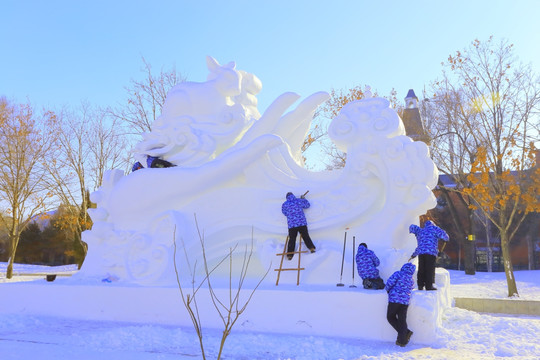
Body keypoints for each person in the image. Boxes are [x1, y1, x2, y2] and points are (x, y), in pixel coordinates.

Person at [409, 219, 449, 290]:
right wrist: (446, 238)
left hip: (421, 253)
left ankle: (420, 285)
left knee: (421, 269)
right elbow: (445, 237)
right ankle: (429, 286)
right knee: (429, 269)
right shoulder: (434, 228)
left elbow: (419, 246)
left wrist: (414, 255)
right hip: (431, 253)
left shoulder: (421, 231)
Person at [385, 262, 416, 347]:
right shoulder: (411, 279)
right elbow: (412, 288)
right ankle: (401, 341)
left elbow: (390, 283)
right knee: (402, 320)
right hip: (405, 302)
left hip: (394, 299)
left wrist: (387, 290)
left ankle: (406, 332)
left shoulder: (398, 273)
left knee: (390, 317)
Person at [281, 192, 316, 260]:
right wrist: (303, 199)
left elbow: (284, 212)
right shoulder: (298, 200)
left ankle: (289, 255)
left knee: (292, 239)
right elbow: (307, 205)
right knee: (305, 236)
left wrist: (290, 214)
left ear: (287, 197)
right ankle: (311, 248)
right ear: (293, 195)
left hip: (292, 225)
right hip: (302, 223)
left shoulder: (284, 204)